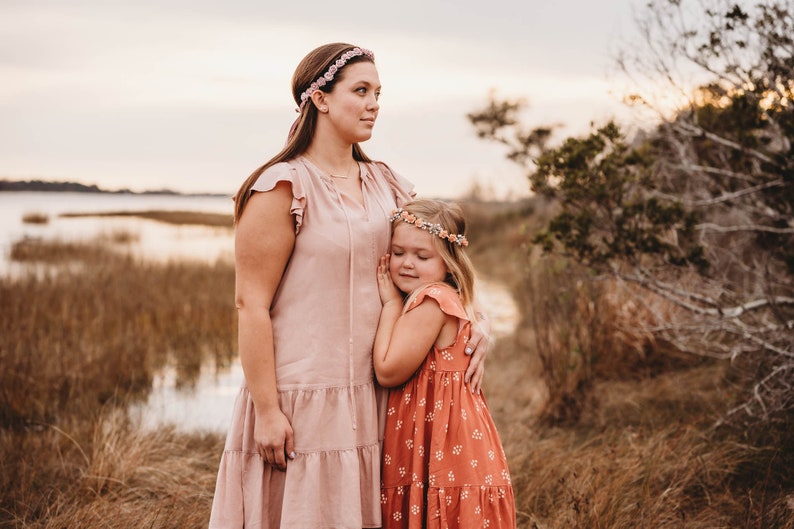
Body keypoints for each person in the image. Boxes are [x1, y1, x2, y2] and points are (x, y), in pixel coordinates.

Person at [208, 43, 491, 529]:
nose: (374, 103)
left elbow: (438, 262)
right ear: (318, 98)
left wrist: (476, 323)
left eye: (378, 92)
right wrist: (268, 410)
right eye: (360, 91)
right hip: (304, 400)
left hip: (385, 398)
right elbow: (249, 304)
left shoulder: (390, 186)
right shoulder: (282, 187)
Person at [374, 199, 516, 529]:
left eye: (422, 256)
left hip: (444, 443)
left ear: (449, 264)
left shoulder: (431, 301)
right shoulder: (453, 296)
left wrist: (390, 306)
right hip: (457, 439)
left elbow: (386, 370)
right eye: (398, 253)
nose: (407, 264)